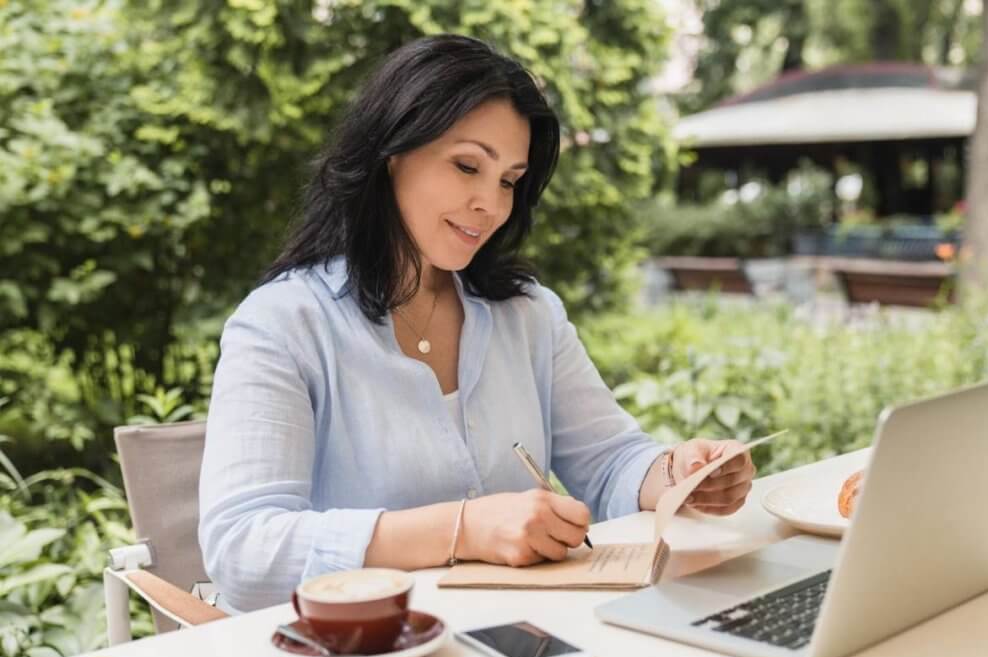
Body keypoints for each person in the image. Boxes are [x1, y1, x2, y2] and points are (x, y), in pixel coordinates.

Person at [198, 34, 755, 613]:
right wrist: (463, 528)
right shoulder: (283, 325)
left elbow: (612, 461)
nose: (490, 203)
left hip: (520, 638)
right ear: (392, 152)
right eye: (468, 166)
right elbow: (242, 551)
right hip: (358, 650)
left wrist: (679, 475)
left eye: (509, 180)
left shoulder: (528, 314)